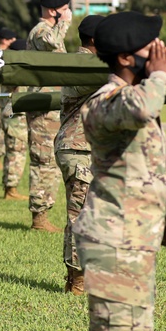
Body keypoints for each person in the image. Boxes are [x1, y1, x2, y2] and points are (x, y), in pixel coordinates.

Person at [73, 11, 166, 331]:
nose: (161, 53)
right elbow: (144, 104)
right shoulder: (104, 104)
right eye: (152, 47)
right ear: (127, 59)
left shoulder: (128, 96)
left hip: (132, 246)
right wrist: (162, 75)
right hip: (115, 248)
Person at [55, 15, 104, 295]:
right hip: (78, 148)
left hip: (87, 147)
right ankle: (77, 281)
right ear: (96, 40)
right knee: (81, 216)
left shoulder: (93, 63)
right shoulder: (83, 64)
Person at [25, 0, 72, 232]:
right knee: (43, 160)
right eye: (65, 8)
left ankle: (44, 212)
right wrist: (64, 24)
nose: (69, 13)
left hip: (52, 105)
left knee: (51, 162)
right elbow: (52, 43)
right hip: (42, 107)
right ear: (54, 11)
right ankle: (39, 217)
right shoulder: (41, 31)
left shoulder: (49, 30)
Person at [0, 30, 29, 200]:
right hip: (15, 119)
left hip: (13, 116)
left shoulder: (10, 68)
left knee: (14, 152)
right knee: (16, 153)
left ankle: (10, 187)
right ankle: (11, 189)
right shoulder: (14, 71)